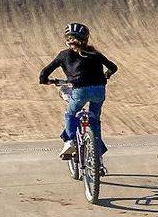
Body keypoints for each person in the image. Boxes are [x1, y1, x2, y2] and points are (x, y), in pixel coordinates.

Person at [38, 23, 117, 162]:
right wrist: (106, 75)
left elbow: (44, 73)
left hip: (80, 90)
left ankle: (69, 142)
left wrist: (46, 81)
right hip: (99, 90)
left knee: (70, 114)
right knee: (94, 120)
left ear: (67, 39)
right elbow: (113, 67)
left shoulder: (63, 55)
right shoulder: (95, 54)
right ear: (86, 38)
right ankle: (97, 155)